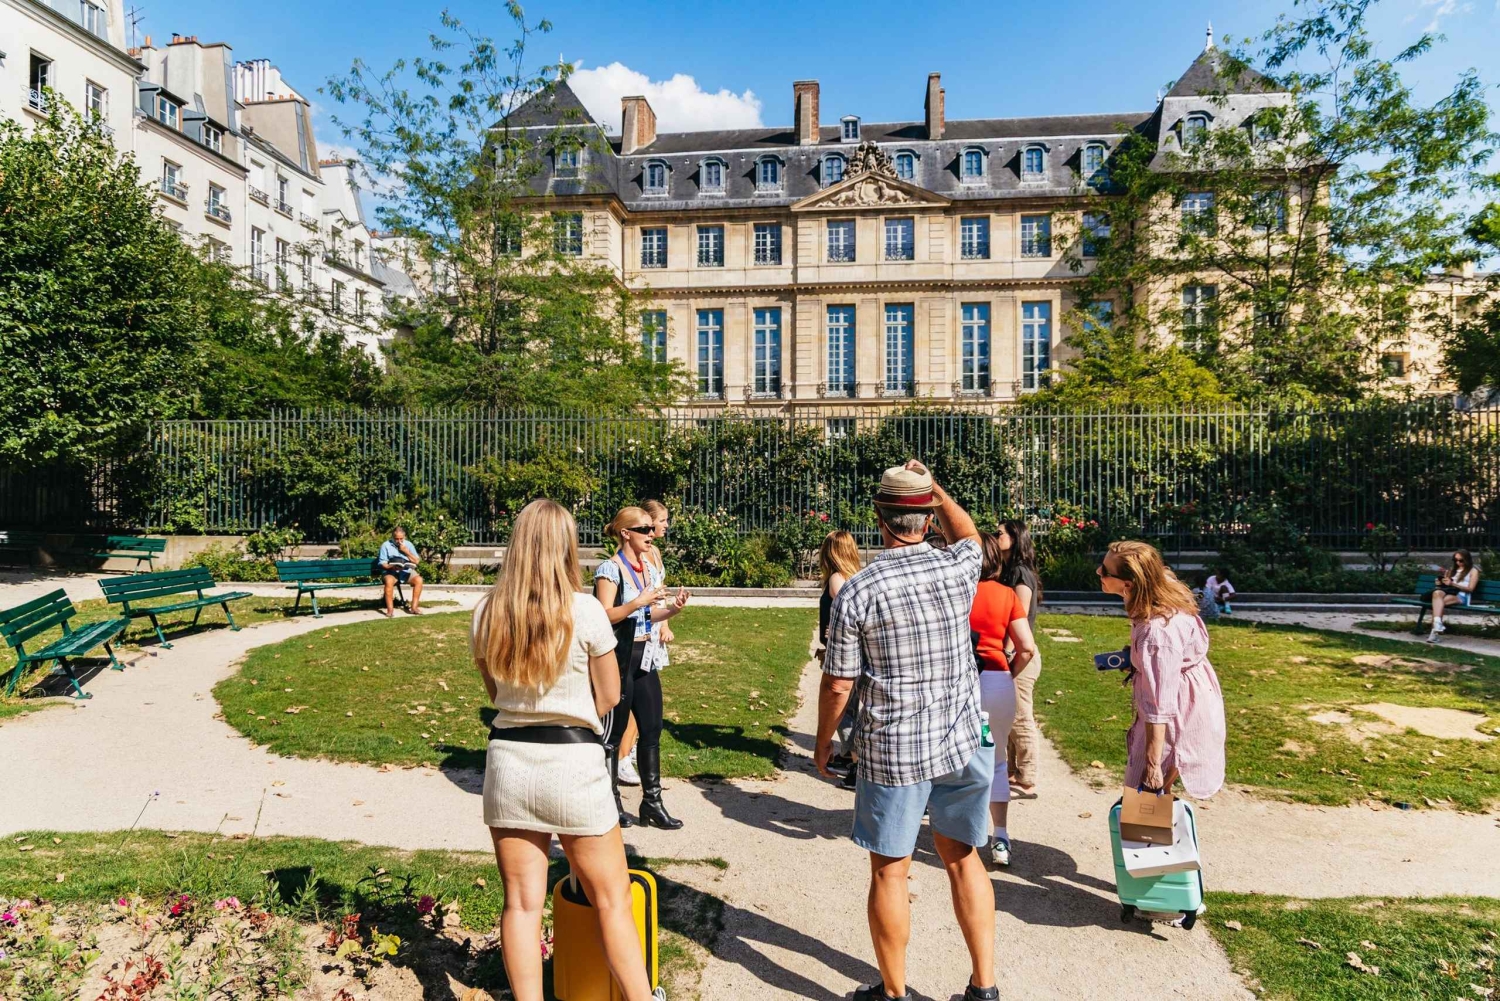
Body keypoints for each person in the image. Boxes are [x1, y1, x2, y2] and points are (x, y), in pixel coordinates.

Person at [816, 461, 998, 1001]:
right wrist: (936, 490)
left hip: (895, 747)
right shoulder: (958, 567)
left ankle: (895, 995)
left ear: (879, 518)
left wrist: (825, 742)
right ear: (923, 516)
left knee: (891, 872)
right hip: (962, 737)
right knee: (963, 858)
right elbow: (967, 532)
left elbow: (838, 686)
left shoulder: (858, 590)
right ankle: (984, 987)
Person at [469, 499, 665, 1001]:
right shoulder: (584, 611)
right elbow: (610, 697)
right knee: (612, 900)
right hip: (572, 761)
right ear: (566, 547)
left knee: (520, 904)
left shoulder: (488, 610)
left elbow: (495, 694)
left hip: (509, 760)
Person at [1096, 541, 1226, 800]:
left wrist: (1152, 766)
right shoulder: (1159, 589)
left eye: (1105, 571)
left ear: (1129, 584)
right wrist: (1136, 658)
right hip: (1188, 694)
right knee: (1152, 800)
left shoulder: (1158, 634)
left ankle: (1153, 836)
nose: (1098, 573)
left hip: (1175, 708)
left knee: (1142, 795)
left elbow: (1159, 707)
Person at [596, 506, 690, 830]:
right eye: (644, 529)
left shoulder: (647, 570)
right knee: (614, 735)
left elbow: (650, 615)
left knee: (651, 729)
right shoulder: (610, 570)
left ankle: (652, 802)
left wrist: (673, 611)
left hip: (645, 657)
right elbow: (604, 615)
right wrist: (638, 602)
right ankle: (611, 803)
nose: (651, 534)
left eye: (652, 529)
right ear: (626, 533)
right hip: (619, 659)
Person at [970, 533, 1038, 867]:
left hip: (958, 682)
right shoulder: (1007, 594)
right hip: (996, 680)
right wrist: (1008, 672)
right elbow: (1026, 646)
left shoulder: (953, 592)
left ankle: (962, 829)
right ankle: (1000, 837)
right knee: (996, 759)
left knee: (954, 758)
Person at [615, 500, 675, 788]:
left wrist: (669, 616)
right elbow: (635, 602)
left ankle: (651, 797)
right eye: (655, 523)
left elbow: (655, 598)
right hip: (633, 641)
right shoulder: (614, 567)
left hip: (649, 632)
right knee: (628, 708)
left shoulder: (653, 554)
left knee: (648, 714)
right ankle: (622, 758)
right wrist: (657, 620)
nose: (661, 528)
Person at [996, 519, 1042, 798]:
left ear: (1015, 537)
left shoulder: (1021, 573)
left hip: (1020, 654)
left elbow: (1019, 615)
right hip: (1014, 652)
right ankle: (1014, 771)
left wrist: (1008, 650)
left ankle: (1027, 777)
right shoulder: (1008, 571)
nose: (995, 536)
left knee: (1021, 716)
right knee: (1010, 714)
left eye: (999, 533)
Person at [817, 530, 863, 786]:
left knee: (842, 712)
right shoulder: (855, 576)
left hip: (842, 652)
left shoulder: (837, 579)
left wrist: (834, 628)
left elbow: (848, 606)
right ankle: (851, 756)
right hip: (849, 650)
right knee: (852, 709)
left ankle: (857, 760)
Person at [1429, 549, 1480, 642]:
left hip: (1461, 595)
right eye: (1455, 560)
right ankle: (1437, 625)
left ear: (1467, 559)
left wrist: (1453, 584)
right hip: (1448, 591)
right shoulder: (1452, 570)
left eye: (1461, 560)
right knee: (1436, 593)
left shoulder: (1473, 571)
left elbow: (1470, 589)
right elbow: (1445, 586)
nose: (1458, 562)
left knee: (1438, 604)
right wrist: (1439, 583)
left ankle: (1434, 633)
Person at [377, 525, 423, 617]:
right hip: (391, 572)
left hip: (405, 571)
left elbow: (417, 561)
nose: (398, 541)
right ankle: (390, 610)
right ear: (392, 537)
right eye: (396, 539)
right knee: (389, 581)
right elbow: (382, 563)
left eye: (401, 539)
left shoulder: (409, 545)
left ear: (404, 537)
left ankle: (414, 608)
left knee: (419, 580)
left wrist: (406, 551)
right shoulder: (385, 545)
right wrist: (391, 566)